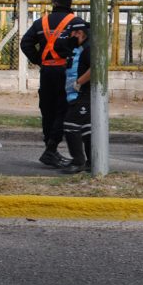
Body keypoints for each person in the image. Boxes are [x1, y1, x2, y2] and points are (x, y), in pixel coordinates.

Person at [21, 0, 80, 168]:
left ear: (54, 4)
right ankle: (51, 149)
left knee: (47, 110)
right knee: (63, 110)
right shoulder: (74, 22)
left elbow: (25, 43)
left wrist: (40, 60)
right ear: (70, 5)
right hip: (66, 72)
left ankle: (50, 149)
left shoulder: (41, 22)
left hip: (46, 72)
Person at [59, 19, 92, 174]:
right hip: (77, 95)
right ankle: (92, 162)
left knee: (70, 125)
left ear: (79, 33)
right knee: (86, 129)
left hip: (84, 95)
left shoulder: (89, 49)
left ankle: (78, 161)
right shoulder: (80, 48)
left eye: (71, 34)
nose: (69, 37)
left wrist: (78, 83)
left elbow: (95, 69)